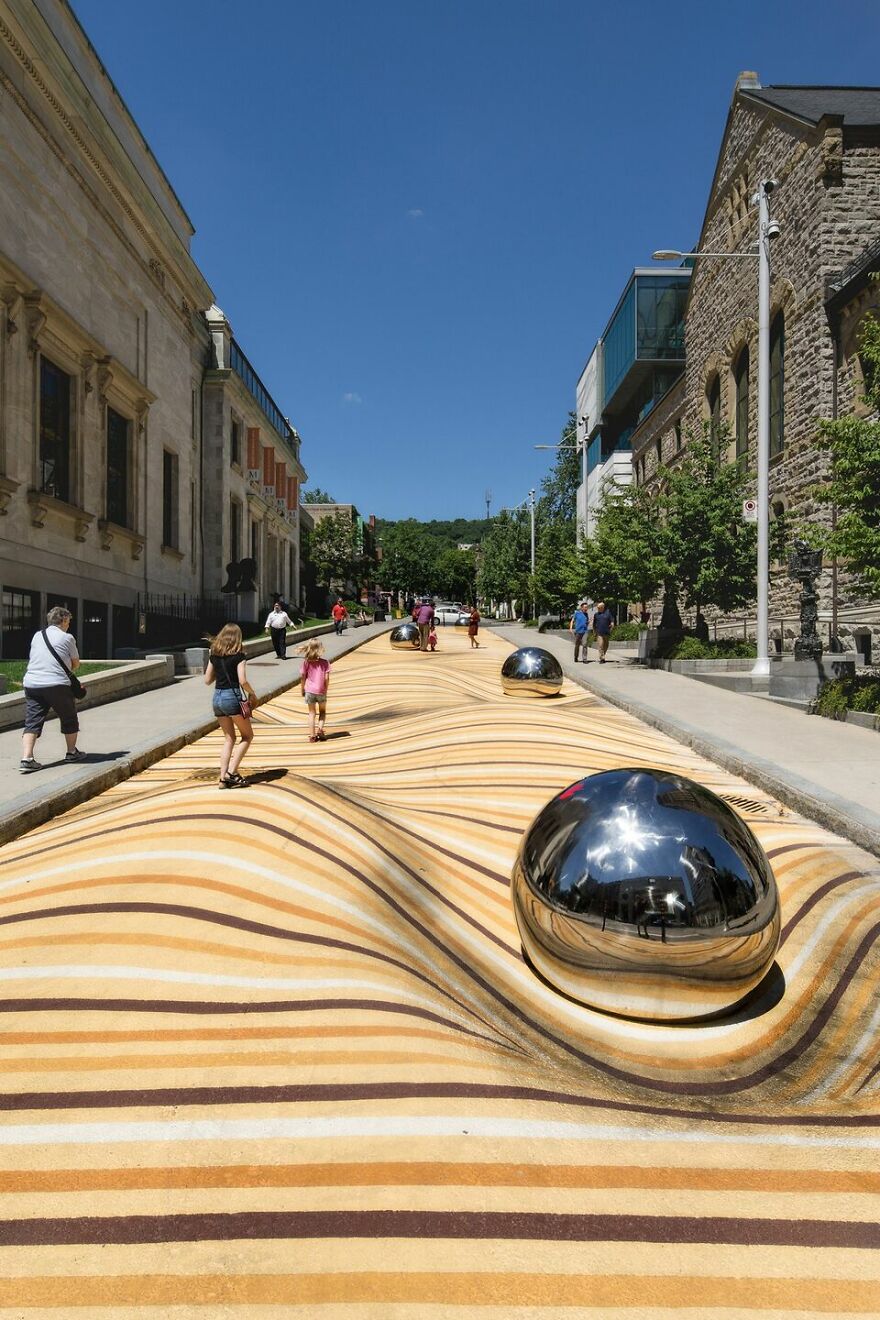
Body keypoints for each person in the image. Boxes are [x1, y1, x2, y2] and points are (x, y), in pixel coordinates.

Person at [19, 605, 85, 773]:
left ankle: (27, 758)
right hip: (57, 684)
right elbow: (75, 663)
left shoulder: (37, 636)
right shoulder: (67, 637)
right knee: (69, 717)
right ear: (63, 620)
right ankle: (71, 752)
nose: (68, 625)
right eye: (68, 622)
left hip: (32, 683)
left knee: (32, 721)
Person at [204, 623, 255, 787]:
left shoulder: (214, 655)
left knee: (229, 738)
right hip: (231, 697)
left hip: (217, 698)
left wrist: (220, 672)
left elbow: (207, 680)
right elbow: (243, 680)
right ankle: (231, 772)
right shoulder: (239, 656)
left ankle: (222, 778)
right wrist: (252, 693)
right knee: (247, 736)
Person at [299, 638, 330, 741]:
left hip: (309, 690)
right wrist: (326, 688)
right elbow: (326, 678)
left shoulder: (306, 662)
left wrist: (302, 689)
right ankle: (320, 729)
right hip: (321, 690)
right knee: (322, 711)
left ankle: (312, 736)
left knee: (311, 713)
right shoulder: (325, 663)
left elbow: (303, 677)